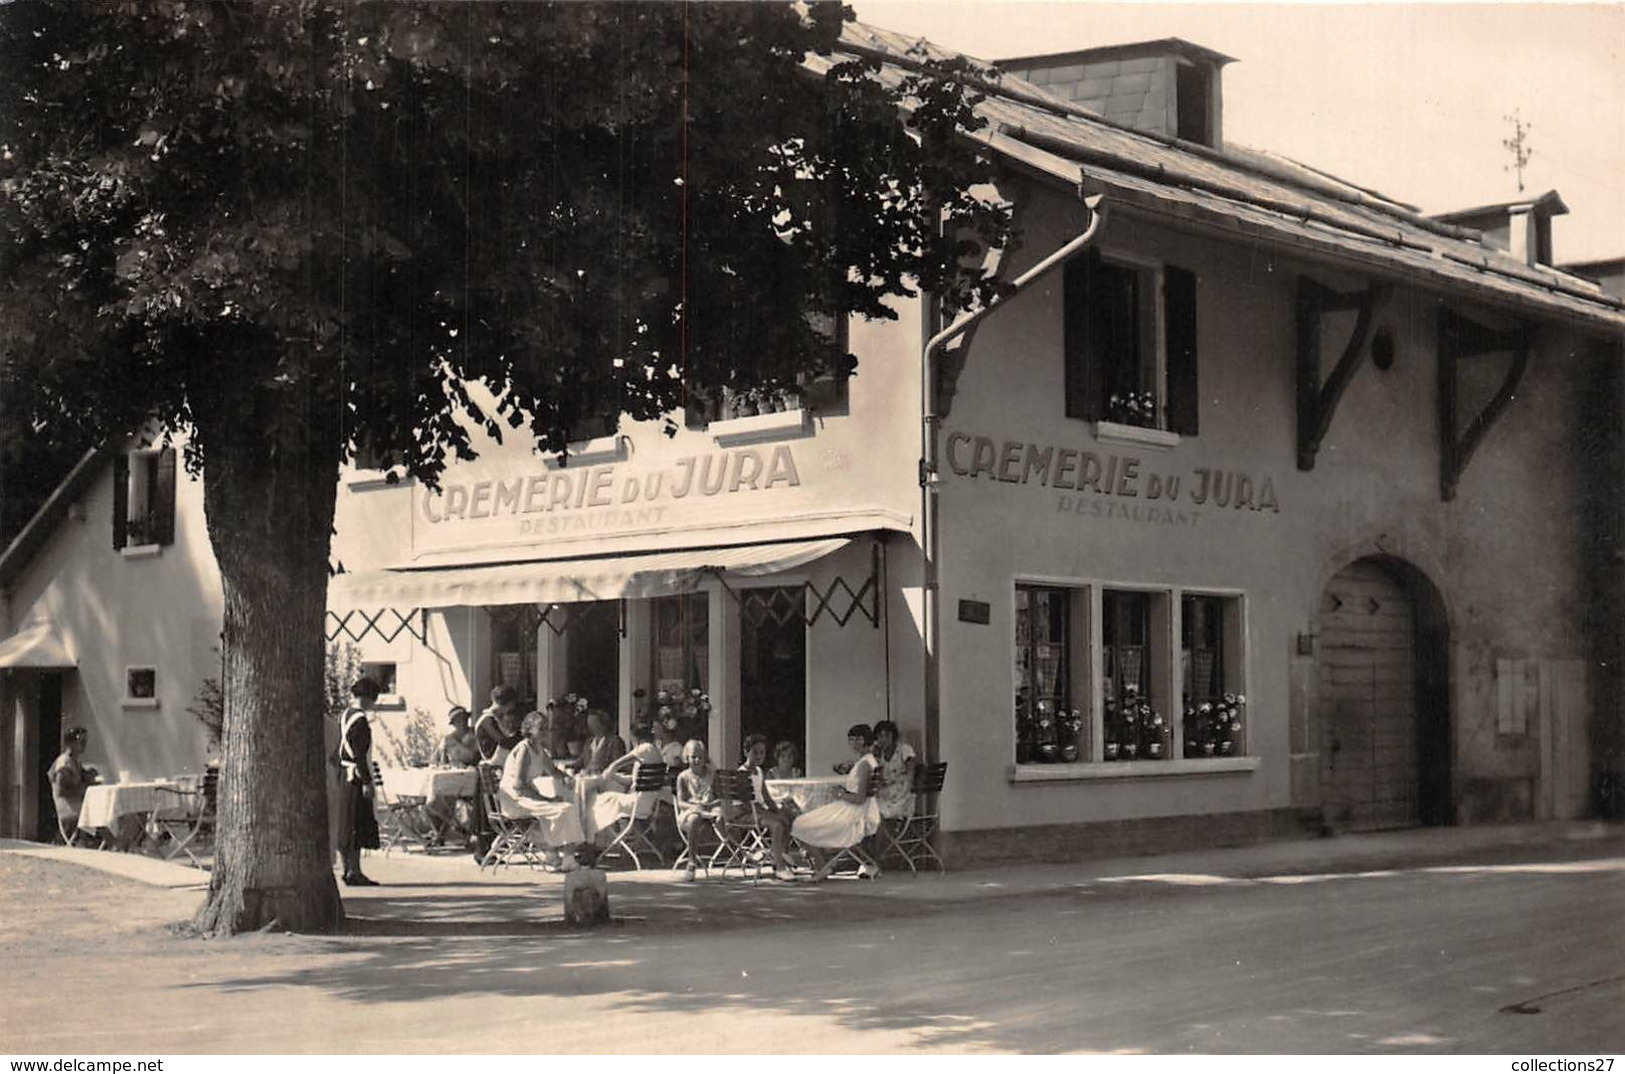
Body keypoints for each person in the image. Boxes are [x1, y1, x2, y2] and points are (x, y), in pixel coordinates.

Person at [792, 725, 880, 881]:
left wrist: (840, 794)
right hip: (854, 809)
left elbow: (859, 799)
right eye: (850, 740)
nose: (851, 743)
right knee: (808, 820)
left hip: (854, 813)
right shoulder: (868, 761)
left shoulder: (865, 765)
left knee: (799, 824)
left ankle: (822, 866)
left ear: (862, 740)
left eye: (853, 739)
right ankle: (824, 864)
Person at [499, 711, 584, 870]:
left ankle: (556, 853)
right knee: (566, 809)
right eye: (541, 728)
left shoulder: (540, 750)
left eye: (547, 728)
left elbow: (553, 771)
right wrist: (547, 799)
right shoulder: (524, 749)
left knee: (566, 806)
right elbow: (519, 784)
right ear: (530, 729)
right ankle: (564, 856)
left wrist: (566, 777)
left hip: (527, 796)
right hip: (515, 799)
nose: (546, 731)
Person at [336, 676, 383, 886]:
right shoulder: (360, 721)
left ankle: (348, 868)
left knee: (346, 823)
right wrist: (367, 782)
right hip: (355, 777)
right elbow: (359, 754)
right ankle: (354, 870)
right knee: (356, 824)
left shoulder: (346, 714)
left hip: (344, 776)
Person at [587, 723, 665, 843]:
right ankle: (619, 838)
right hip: (646, 804)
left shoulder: (645, 748)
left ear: (635, 737)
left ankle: (595, 840)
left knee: (598, 799)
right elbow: (633, 781)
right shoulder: (654, 752)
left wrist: (609, 771)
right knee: (609, 795)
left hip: (637, 804)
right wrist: (614, 776)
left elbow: (617, 763)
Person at [737, 733, 797, 881]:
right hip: (744, 814)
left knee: (787, 816)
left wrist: (777, 809)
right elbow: (745, 803)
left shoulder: (759, 771)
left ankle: (782, 852)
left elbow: (765, 796)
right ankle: (779, 866)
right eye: (755, 752)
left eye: (762, 753)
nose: (759, 756)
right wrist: (768, 813)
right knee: (776, 825)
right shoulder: (742, 773)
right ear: (746, 752)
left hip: (758, 810)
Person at [425, 705, 479, 846]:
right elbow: (437, 759)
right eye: (458, 720)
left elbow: (478, 756)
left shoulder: (475, 735)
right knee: (433, 801)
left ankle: (453, 832)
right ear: (453, 723)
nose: (462, 722)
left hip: (470, 777)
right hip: (450, 777)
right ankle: (442, 832)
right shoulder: (448, 739)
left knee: (455, 798)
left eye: (464, 719)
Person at [674, 740, 724, 881]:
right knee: (694, 818)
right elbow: (680, 802)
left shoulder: (712, 774)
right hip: (690, 812)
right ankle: (691, 862)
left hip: (709, 810)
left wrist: (710, 805)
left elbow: (720, 798)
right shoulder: (683, 777)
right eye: (693, 757)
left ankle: (737, 850)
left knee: (720, 816)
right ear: (687, 758)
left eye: (700, 757)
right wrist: (695, 807)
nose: (697, 760)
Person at [47, 726, 98, 841]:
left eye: (85, 741)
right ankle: (117, 845)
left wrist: (88, 775)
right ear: (71, 743)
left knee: (104, 812)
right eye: (81, 741)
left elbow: (81, 777)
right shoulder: (64, 763)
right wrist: (83, 788)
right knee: (100, 814)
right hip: (69, 808)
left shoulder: (75, 761)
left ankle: (117, 844)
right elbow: (61, 790)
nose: (84, 745)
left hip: (79, 804)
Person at [871, 719, 918, 820]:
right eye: (880, 736)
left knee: (877, 809)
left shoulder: (904, 749)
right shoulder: (880, 754)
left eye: (886, 735)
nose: (883, 739)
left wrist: (906, 785)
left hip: (902, 793)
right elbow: (877, 777)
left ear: (893, 736)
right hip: (885, 792)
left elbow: (911, 771)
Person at [475, 685, 523, 766]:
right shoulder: (486, 720)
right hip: (493, 761)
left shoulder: (499, 718)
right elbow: (502, 741)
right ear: (508, 703)